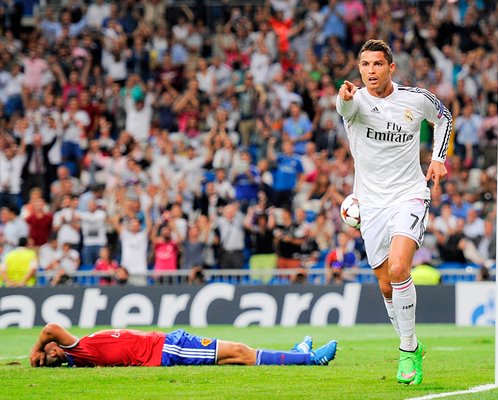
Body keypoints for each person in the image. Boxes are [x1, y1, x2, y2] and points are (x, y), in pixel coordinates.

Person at [336, 39, 452, 385]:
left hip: (409, 195)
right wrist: (343, 99)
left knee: (401, 267)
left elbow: (444, 117)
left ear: (391, 68)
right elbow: (345, 109)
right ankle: (413, 345)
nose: (370, 70)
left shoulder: (415, 100)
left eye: (377, 64)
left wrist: (438, 159)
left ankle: (405, 352)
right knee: (387, 287)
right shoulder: (353, 101)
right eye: (365, 65)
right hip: (370, 204)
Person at [30, 323, 337, 368]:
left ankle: (296, 354)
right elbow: (50, 328)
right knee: (241, 351)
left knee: (232, 358)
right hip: (166, 349)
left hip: (163, 342)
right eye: (49, 353)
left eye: (49, 349)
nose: (52, 349)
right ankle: (307, 359)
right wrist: (35, 351)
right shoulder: (76, 351)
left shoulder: (81, 348)